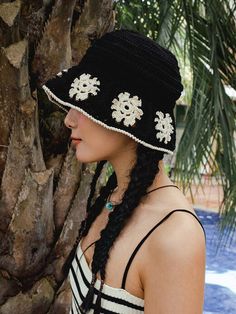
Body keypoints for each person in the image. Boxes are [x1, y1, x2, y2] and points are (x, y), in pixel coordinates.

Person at [42, 29, 206, 314]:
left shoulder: (175, 237)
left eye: (85, 105)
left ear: (130, 116)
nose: (69, 119)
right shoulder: (114, 197)